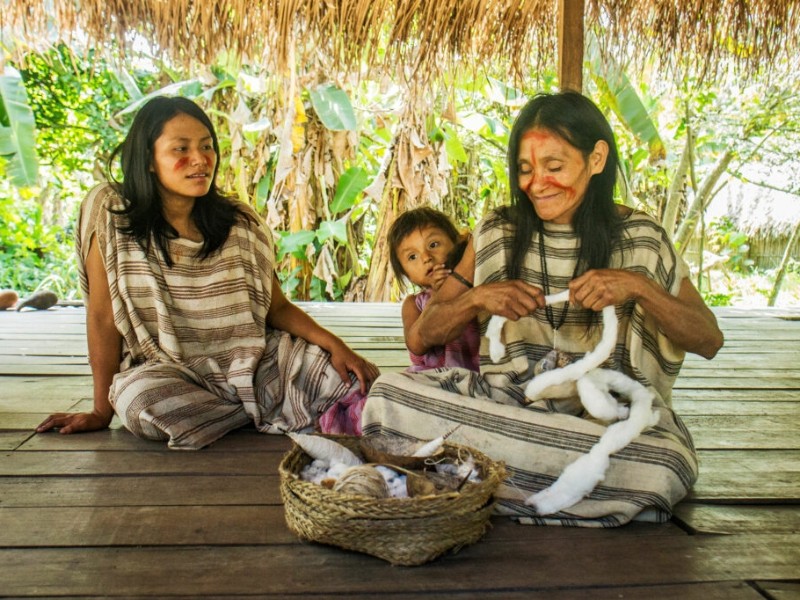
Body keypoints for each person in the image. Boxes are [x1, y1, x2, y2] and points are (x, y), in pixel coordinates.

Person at [362, 91, 724, 526]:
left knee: (664, 460)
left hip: (607, 423)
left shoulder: (642, 237)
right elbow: (423, 335)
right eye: (526, 169)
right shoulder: (498, 228)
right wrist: (478, 297)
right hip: (507, 403)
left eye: (554, 167)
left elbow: (708, 339)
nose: (536, 184)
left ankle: (482, 478)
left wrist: (638, 287)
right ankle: (580, 487)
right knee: (385, 397)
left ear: (596, 158)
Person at [35, 96, 379, 450]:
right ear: (148, 160)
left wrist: (337, 347)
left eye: (207, 146)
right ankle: (268, 412)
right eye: (180, 149)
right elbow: (103, 317)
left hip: (256, 364)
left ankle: (240, 413)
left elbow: (277, 309)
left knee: (348, 379)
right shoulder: (112, 210)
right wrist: (99, 410)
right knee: (138, 402)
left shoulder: (240, 221)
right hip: (169, 371)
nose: (200, 159)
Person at [318, 207, 479, 435]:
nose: (426, 258)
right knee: (386, 393)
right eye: (412, 257)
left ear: (457, 242)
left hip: (475, 381)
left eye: (433, 245)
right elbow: (416, 345)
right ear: (405, 274)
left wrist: (458, 286)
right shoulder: (414, 304)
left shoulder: (478, 287)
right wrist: (440, 296)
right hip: (431, 382)